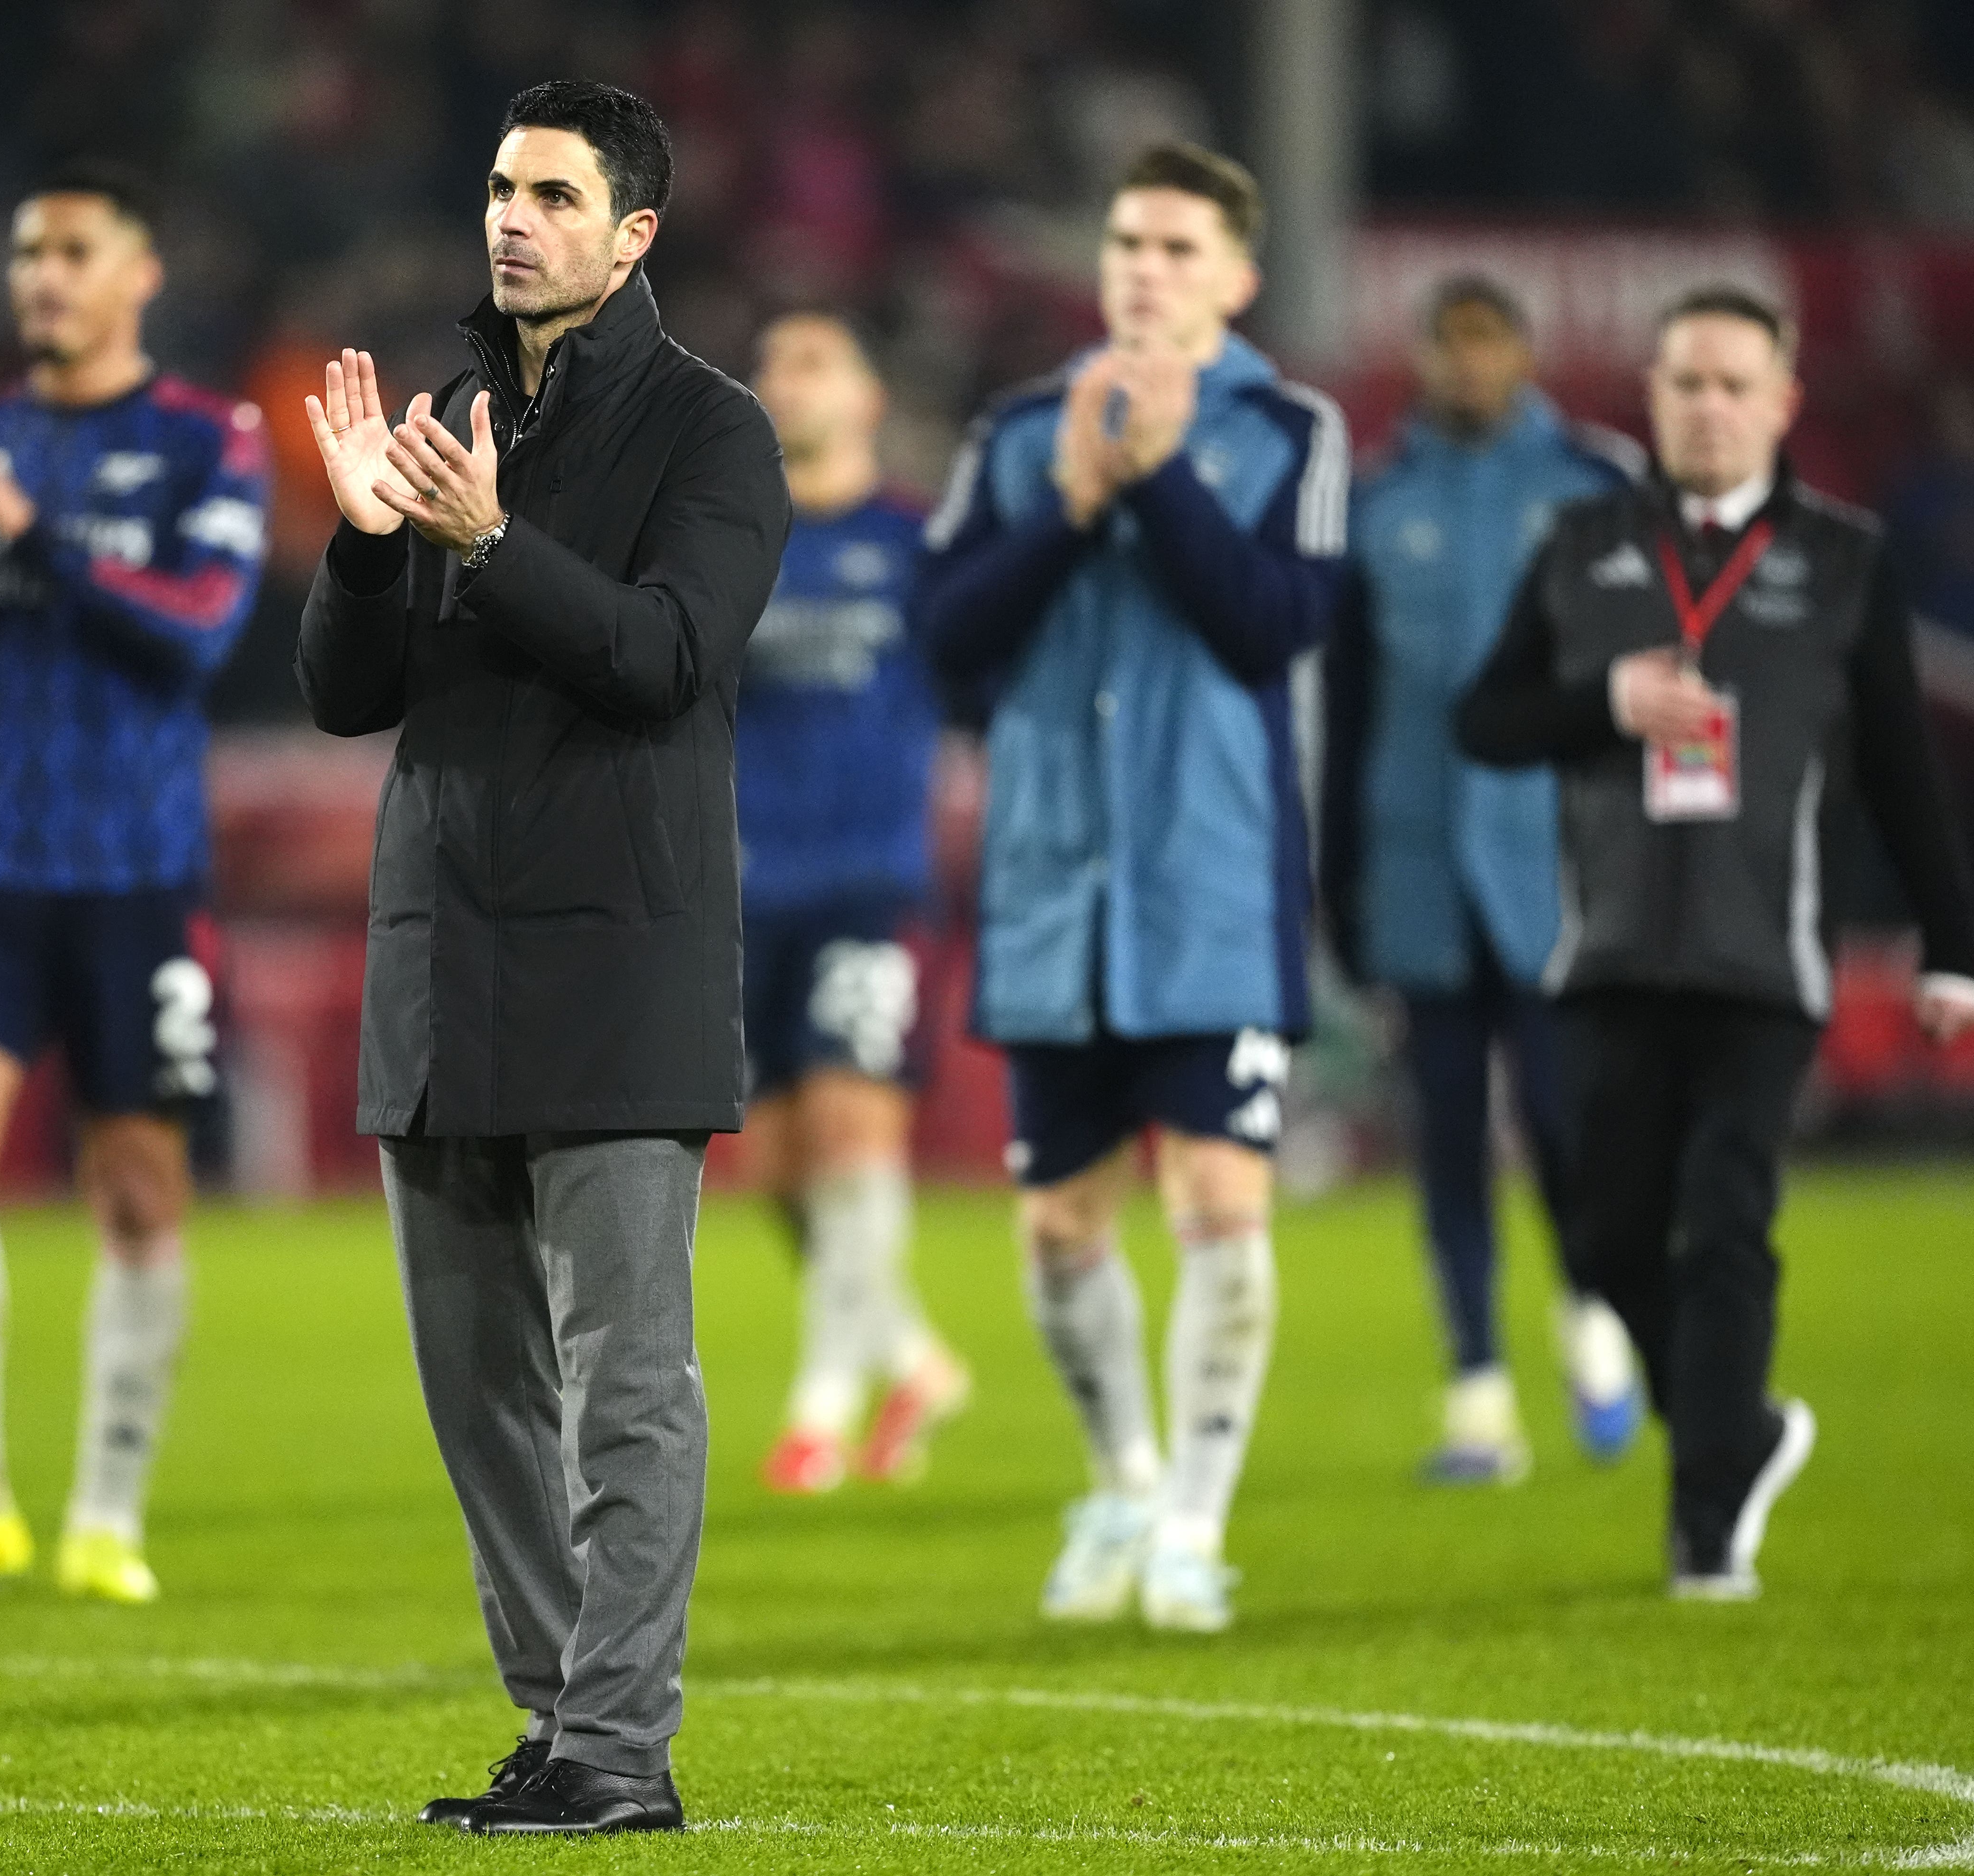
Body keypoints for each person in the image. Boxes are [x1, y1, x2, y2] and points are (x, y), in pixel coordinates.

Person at [296, 80, 787, 1836]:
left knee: (626, 1385)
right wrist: (365, 543)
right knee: (479, 1391)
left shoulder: (714, 436)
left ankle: (619, 1755)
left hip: (616, 969)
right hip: (443, 964)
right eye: (500, 187)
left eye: (554, 196)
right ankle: (559, 1718)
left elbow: (665, 658)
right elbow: (348, 699)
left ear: (632, 233)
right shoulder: (443, 414)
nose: (512, 219)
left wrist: (491, 548)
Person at [1459, 284, 1974, 1599]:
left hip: (1767, 958)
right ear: (1647, 396)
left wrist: (1952, 945)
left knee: (1726, 1220)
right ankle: (1736, 1431)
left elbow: (1900, 769)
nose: (1706, 408)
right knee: (1604, 1240)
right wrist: (1604, 702)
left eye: (1731, 385)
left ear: (1781, 402)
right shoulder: (1580, 545)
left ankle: (1703, 1527)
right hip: (1612, 950)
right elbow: (1485, 721)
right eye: (1684, 383)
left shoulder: (1844, 561)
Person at [917, 141, 1347, 1635]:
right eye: (1124, 244)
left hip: (1212, 888)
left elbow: (1271, 624)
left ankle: (1193, 1527)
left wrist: (1155, 482)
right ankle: (1119, 1478)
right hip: (1052, 889)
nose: (1144, 270)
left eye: (1176, 247)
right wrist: (1073, 502)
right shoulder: (1021, 430)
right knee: (1055, 1229)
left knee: (1221, 1198)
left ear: (1234, 275)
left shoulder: (1292, 429)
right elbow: (945, 642)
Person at [0, 159, 269, 1609]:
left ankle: (106, 1513)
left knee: (142, 1190)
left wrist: (31, 532)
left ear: (136, 275)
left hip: (136, 872)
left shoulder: (202, 439)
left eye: (73, 250)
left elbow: (198, 633)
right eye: (28, 250)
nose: (42, 275)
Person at [1325, 275, 1644, 1486]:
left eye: (1487, 340)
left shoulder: (1592, 488)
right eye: (1448, 343)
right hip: (1417, 870)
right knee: (1447, 1140)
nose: (1467, 363)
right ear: (1422, 355)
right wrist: (1342, 884)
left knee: (1567, 1124)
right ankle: (1477, 1393)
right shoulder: (1377, 504)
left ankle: (1593, 1318)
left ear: (1523, 349)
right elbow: (1347, 712)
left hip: (1558, 866)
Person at [737, 310, 968, 1497]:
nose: (789, 380)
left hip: (871, 885)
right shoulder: (733, 543)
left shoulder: (922, 543)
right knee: (776, 1165)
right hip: (745, 890)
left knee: (849, 1129)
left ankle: (820, 1413)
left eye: (819, 358)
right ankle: (912, 1356)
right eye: (775, 363)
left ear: (871, 399)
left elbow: (981, 676)